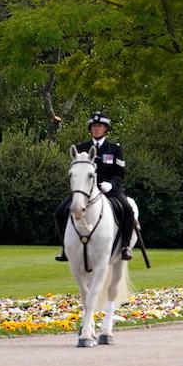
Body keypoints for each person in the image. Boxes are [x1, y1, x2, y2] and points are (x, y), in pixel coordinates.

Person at [55, 112, 133, 261]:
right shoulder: (81, 148)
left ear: (105, 129)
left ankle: (125, 247)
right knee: (59, 212)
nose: (97, 129)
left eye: (100, 126)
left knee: (127, 209)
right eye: (94, 126)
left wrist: (111, 184)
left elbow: (120, 173)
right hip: (84, 192)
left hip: (110, 191)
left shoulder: (115, 149)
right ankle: (65, 248)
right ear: (90, 129)